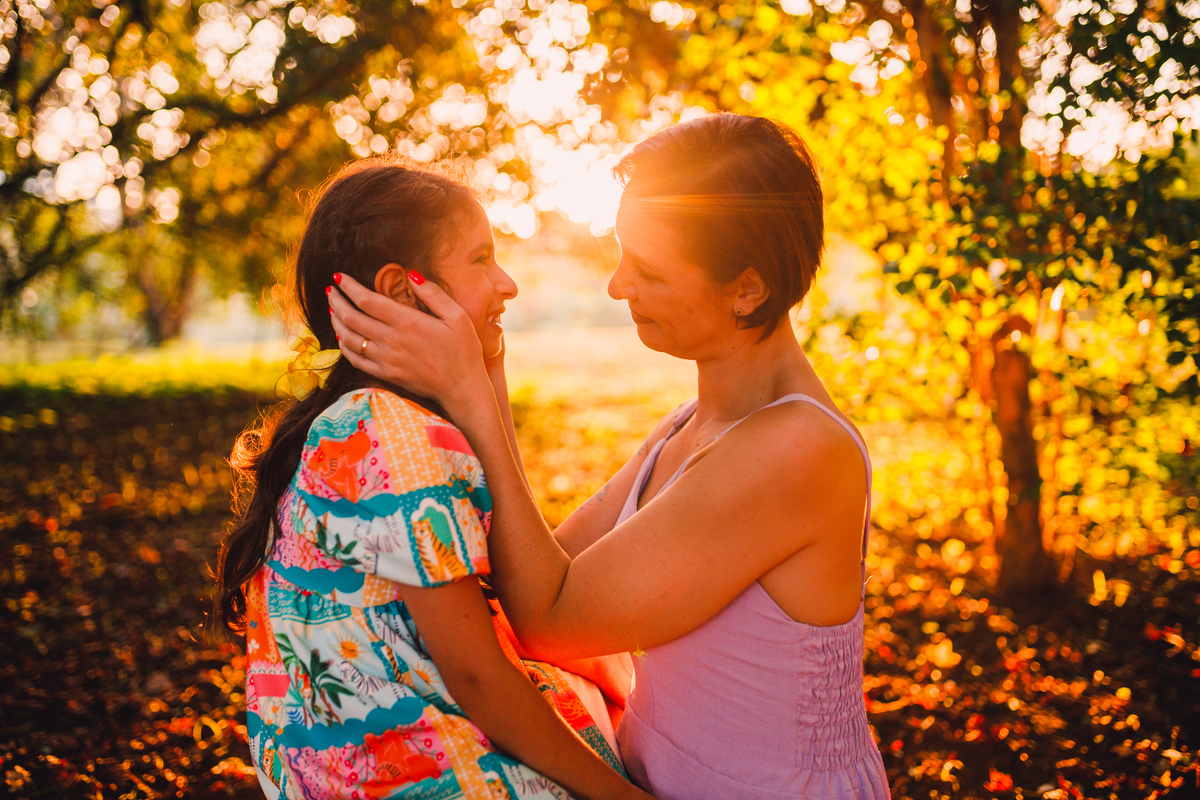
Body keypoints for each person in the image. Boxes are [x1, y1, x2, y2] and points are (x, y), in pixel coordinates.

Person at [327, 113, 892, 800]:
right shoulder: (691, 426)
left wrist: (469, 392)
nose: (617, 286)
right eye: (622, 254)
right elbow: (534, 574)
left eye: (647, 269)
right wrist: (488, 373)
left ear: (747, 289)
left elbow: (550, 621)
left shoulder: (797, 450)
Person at [214, 155, 653, 800]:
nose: (506, 283)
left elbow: (513, 546)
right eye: (480, 260)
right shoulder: (397, 434)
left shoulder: (349, 419)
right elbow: (478, 678)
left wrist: (484, 376)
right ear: (402, 289)